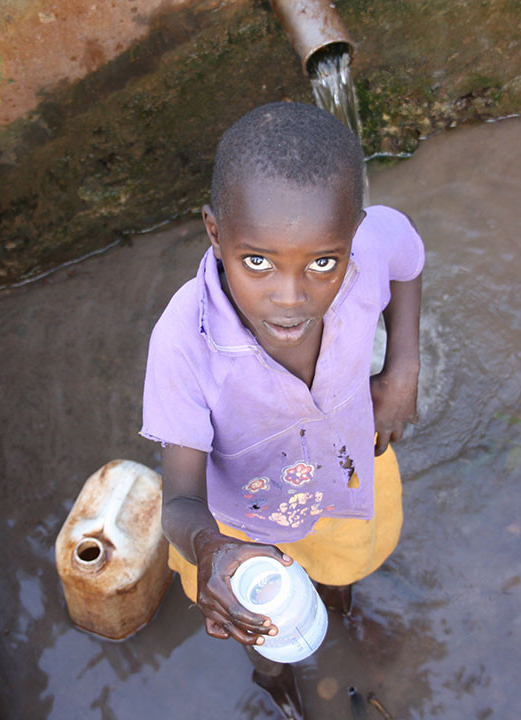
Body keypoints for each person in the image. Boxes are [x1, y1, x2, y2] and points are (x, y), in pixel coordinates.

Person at [140, 101, 423, 719]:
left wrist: (403, 368)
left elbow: (404, 252)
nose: (290, 298)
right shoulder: (185, 340)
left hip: (344, 478)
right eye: (258, 262)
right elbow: (181, 503)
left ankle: (339, 612)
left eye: (323, 262)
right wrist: (212, 551)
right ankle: (276, 683)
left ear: (350, 236)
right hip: (242, 532)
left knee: (340, 574)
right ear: (215, 232)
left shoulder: (367, 251)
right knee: (261, 630)